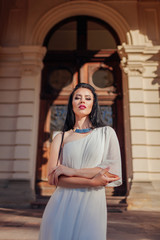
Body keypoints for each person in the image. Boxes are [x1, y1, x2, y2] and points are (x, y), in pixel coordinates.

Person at [39, 83, 122, 240]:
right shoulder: (60, 137)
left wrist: (72, 171)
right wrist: (92, 181)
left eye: (87, 98)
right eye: (77, 97)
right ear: (71, 104)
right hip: (62, 203)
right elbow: (53, 178)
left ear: (93, 104)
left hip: (92, 205)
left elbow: (112, 172)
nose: (82, 100)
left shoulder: (106, 133)